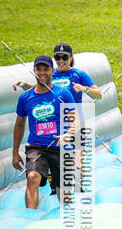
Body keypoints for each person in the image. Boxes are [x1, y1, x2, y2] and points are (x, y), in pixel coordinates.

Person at [11, 55, 77, 208]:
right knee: (32, 177)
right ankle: (30, 218)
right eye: (38, 69)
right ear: (34, 71)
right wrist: (15, 152)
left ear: (52, 71)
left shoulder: (63, 94)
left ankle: (67, 221)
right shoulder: (25, 98)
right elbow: (19, 125)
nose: (42, 72)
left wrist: (69, 135)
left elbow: (75, 121)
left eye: (46, 69)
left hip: (60, 147)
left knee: (64, 195)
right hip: (36, 147)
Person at [13, 42, 102, 103]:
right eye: (57, 57)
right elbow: (39, 89)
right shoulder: (51, 73)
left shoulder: (79, 75)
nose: (61, 60)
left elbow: (99, 95)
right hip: (55, 119)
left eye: (64, 57)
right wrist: (24, 84)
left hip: (73, 119)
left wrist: (85, 89)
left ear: (71, 57)